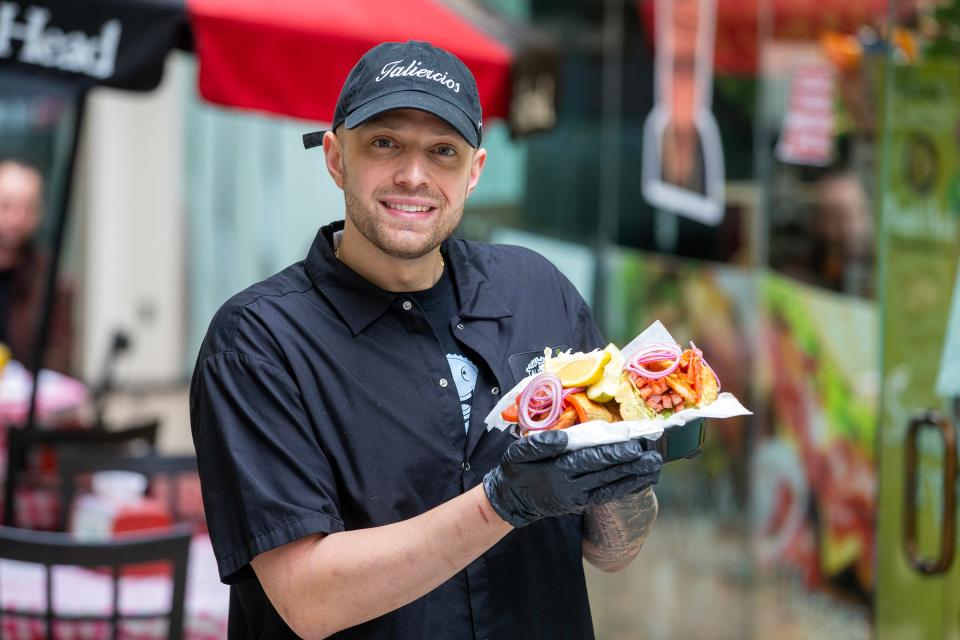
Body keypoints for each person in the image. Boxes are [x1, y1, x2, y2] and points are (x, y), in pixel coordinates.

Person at [191, 40, 663, 640]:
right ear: (335, 158)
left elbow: (612, 551)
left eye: (443, 151)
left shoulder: (537, 290)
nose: (414, 176)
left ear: (475, 172)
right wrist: (503, 502)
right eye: (385, 143)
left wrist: (625, 478)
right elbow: (307, 601)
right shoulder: (258, 342)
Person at [0, 158, 73, 373]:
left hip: (24, 400)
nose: (17, 218)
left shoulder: (50, 278)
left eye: (28, 208)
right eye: (6, 206)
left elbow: (60, 358)